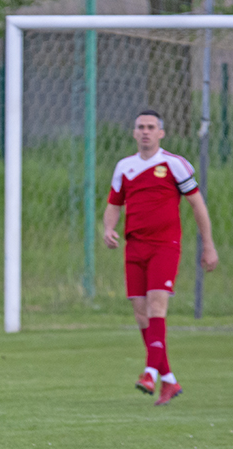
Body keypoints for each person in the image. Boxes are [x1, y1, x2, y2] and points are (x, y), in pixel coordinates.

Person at [103, 109, 219, 406]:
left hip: (165, 246)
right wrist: (108, 228)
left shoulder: (174, 164)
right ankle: (169, 382)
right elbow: (115, 203)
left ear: (161, 133)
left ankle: (150, 373)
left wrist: (208, 245)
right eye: (140, 126)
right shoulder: (124, 167)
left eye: (151, 127)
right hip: (135, 247)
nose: (145, 131)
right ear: (133, 132)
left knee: (157, 304)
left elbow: (197, 205)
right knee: (141, 312)